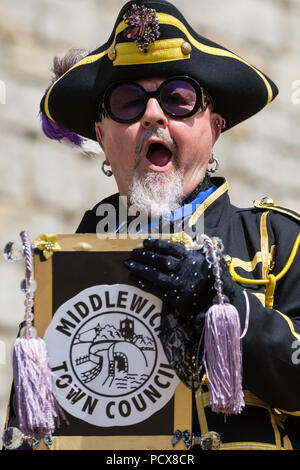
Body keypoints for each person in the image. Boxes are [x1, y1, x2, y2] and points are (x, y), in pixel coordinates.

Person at [15, 0, 300, 450]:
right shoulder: (60, 273)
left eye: (179, 99)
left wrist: (222, 305)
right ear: (103, 140)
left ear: (215, 129)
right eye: (127, 103)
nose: (152, 115)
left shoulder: (276, 241)